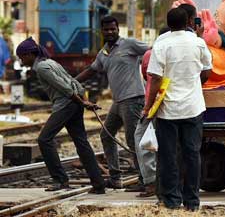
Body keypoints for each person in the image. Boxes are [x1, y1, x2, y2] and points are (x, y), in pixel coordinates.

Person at [16, 38, 105, 193]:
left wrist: (82, 102)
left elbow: (65, 87)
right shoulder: (51, 62)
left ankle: (60, 180)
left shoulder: (42, 68)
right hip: (74, 104)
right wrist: (84, 100)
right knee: (81, 142)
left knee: (44, 139)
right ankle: (98, 184)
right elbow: (74, 83)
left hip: (66, 105)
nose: (21, 60)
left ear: (30, 54)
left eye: (22, 56)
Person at [145, 8, 212, 211]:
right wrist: (194, 84)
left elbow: (155, 78)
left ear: (168, 23)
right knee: (192, 154)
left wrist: (148, 106)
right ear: (189, 22)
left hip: (168, 110)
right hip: (193, 107)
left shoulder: (161, 44)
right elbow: (207, 71)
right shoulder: (198, 43)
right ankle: (192, 201)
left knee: (169, 155)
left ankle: (172, 201)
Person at [75, 16, 149, 189]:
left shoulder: (129, 44)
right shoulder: (104, 53)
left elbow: (152, 51)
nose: (110, 32)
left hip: (133, 99)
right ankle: (115, 178)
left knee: (133, 140)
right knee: (106, 135)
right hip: (118, 102)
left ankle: (145, 180)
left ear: (118, 29)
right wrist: (72, 81)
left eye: (113, 29)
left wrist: (150, 75)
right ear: (102, 31)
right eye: (106, 30)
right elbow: (91, 70)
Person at [132, 26, 171, 198]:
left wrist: (147, 107)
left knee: (142, 140)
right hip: (173, 103)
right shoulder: (180, 51)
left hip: (154, 105)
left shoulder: (151, 54)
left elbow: (150, 78)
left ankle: (151, 182)